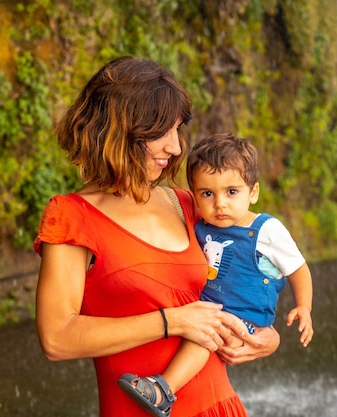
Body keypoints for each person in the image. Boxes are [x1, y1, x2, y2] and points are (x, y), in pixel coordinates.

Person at [33, 56, 280, 417]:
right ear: (119, 130)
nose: (176, 147)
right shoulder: (72, 216)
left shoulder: (187, 204)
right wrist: (172, 321)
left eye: (177, 130)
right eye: (160, 132)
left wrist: (266, 336)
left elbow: (247, 282)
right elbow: (56, 337)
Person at [118, 133, 314, 417]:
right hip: (208, 308)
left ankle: (162, 391)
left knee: (204, 335)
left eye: (231, 192)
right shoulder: (201, 224)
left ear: (253, 192)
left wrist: (304, 307)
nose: (220, 204)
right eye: (207, 194)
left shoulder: (266, 231)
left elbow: (298, 268)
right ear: (195, 195)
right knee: (204, 326)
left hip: (242, 317)